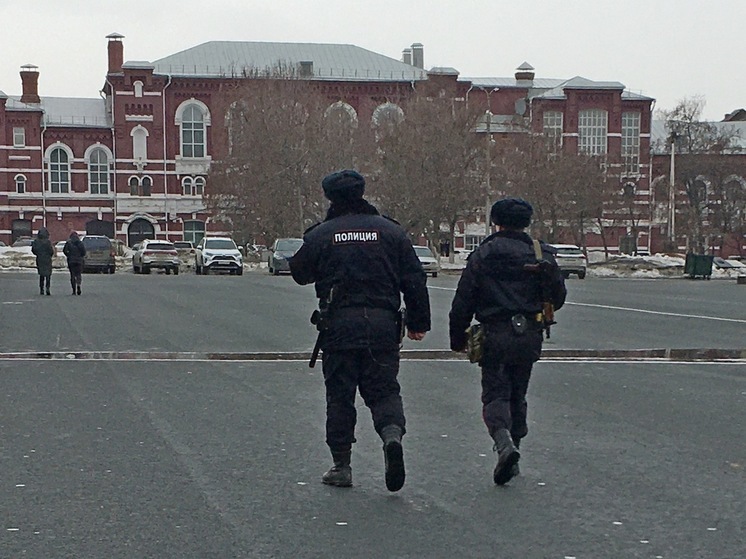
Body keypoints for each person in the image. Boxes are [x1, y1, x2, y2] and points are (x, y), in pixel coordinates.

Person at [289, 170, 431, 492]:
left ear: (330, 198)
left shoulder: (322, 234)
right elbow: (414, 278)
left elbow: (299, 272)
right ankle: (391, 435)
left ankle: (342, 465)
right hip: (383, 324)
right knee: (383, 390)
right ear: (362, 193)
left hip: (339, 326)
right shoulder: (391, 232)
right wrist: (419, 323)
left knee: (340, 396)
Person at [449, 197, 566, 485]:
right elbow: (558, 297)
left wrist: (457, 337)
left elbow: (464, 299)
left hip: (495, 333)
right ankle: (515, 449)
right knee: (518, 393)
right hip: (530, 334)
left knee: (495, 394)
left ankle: (504, 444)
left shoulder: (484, 253)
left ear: (496, 222)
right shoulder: (540, 254)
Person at [31, 227, 55, 296]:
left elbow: (33, 250)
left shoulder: (36, 241)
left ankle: (41, 289)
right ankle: (48, 288)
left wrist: (38, 254)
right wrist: (49, 255)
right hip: (47, 259)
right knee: (48, 275)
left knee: (41, 275)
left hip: (40, 259)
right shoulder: (48, 242)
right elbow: (51, 251)